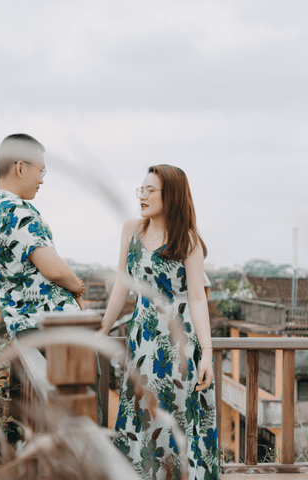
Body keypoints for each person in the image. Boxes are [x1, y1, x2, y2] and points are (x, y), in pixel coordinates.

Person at [99, 165, 218, 480]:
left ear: (172, 195)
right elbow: (122, 285)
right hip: (142, 342)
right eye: (141, 189)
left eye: (151, 189)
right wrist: (102, 329)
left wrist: (206, 353)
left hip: (180, 344)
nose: (143, 195)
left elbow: (196, 298)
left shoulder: (188, 240)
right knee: (142, 418)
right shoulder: (131, 230)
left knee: (175, 420)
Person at [0, 133, 85, 340]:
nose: (41, 180)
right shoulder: (15, 211)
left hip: (32, 329)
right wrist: (76, 285)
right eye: (41, 171)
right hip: (49, 330)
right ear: (21, 167)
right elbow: (55, 270)